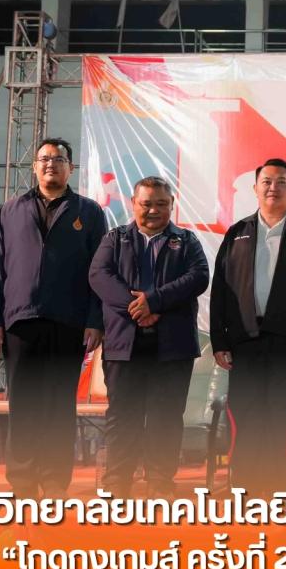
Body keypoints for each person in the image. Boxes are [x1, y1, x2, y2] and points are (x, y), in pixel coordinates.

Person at [0, 138, 105, 498]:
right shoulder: (11, 210)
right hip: (20, 320)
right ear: (34, 166)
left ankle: (53, 479)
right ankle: (22, 479)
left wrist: (95, 320)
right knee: (23, 403)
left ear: (71, 168)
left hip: (69, 322)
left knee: (58, 403)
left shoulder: (89, 212)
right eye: (45, 158)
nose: (51, 164)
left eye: (59, 159)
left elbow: (100, 271)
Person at [210, 159, 286, 498]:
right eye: (266, 181)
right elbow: (220, 291)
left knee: (282, 420)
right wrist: (220, 341)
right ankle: (244, 491)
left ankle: (281, 493)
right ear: (255, 188)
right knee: (245, 420)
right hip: (244, 344)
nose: (273, 188)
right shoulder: (237, 233)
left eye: (281, 182)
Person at [89, 176, 209, 499]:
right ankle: (117, 484)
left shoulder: (187, 240)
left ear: (171, 205)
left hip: (173, 346)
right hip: (123, 345)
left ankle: (160, 483)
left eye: (161, 204)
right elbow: (99, 275)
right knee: (121, 417)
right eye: (146, 204)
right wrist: (137, 308)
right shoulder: (115, 239)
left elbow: (198, 277)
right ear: (133, 204)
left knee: (166, 417)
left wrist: (154, 302)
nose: (153, 210)